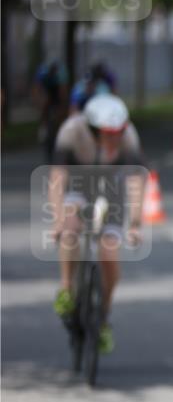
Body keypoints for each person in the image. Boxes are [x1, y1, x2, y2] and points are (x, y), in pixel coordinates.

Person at [50, 94, 146, 354]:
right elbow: (58, 178)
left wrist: (135, 223)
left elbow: (136, 181)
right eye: (108, 133)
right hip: (78, 185)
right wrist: (58, 219)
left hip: (110, 190)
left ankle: (102, 316)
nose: (115, 138)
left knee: (109, 253)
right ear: (93, 129)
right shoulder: (71, 132)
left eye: (119, 132)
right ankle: (67, 288)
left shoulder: (129, 136)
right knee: (71, 227)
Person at [33, 60, 69, 162]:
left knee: (59, 112)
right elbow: (36, 88)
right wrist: (39, 104)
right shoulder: (42, 73)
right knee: (44, 104)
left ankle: (61, 131)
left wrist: (62, 107)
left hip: (56, 94)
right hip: (47, 92)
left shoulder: (61, 73)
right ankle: (43, 127)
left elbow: (63, 91)